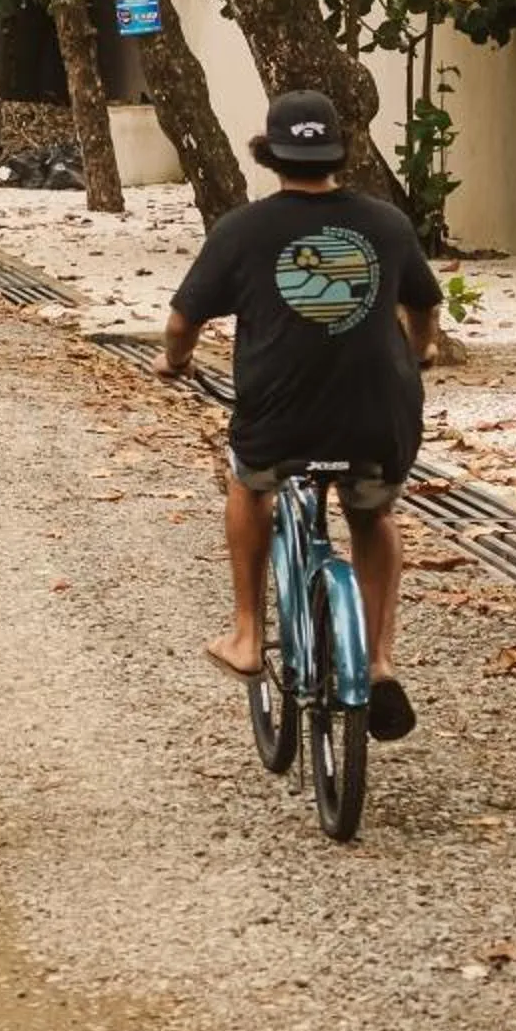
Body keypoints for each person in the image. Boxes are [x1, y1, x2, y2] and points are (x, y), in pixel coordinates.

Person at [159, 88, 440, 744]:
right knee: (371, 513)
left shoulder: (243, 229)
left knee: (249, 480)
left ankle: (248, 634)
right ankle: (375, 661)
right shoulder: (387, 225)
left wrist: (174, 362)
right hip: (378, 418)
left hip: (280, 421)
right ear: (340, 152)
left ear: (270, 153)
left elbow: (181, 322)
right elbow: (424, 307)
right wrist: (420, 354)